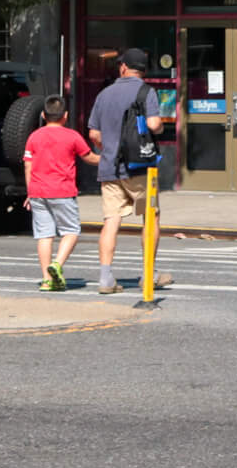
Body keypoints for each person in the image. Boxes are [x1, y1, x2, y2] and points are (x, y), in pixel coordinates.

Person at [86, 47, 166, 295]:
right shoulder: (147, 91)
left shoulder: (104, 94)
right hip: (141, 168)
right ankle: (148, 274)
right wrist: (160, 128)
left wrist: (108, 147)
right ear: (143, 70)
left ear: (123, 67)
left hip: (110, 166)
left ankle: (105, 277)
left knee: (111, 221)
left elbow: (93, 134)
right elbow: (153, 124)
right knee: (151, 217)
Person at [21, 97, 98, 291]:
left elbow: (28, 164)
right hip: (62, 190)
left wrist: (30, 191)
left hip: (37, 191)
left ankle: (46, 280)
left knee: (44, 235)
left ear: (43, 115)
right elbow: (89, 158)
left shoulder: (34, 137)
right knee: (71, 231)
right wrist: (110, 159)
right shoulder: (72, 136)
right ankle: (57, 264)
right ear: (65, 116)